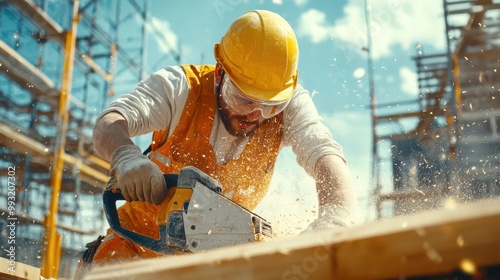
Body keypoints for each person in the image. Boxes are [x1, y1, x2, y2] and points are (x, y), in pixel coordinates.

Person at [90, 9, 355, 265]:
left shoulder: (290, 104)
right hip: (134, 248)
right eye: (244, 100)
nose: (256, 114)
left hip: (216, 263)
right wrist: (125, 156)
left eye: (271, 106)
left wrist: (337, 215)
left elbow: (325, 155)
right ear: (220, 73)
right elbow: (109, 122)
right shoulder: (180, 88)